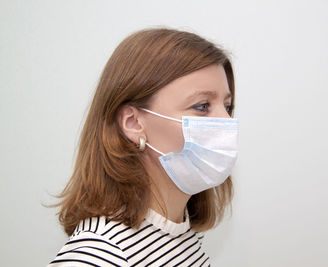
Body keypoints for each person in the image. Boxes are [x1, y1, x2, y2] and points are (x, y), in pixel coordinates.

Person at [48, 27, 239, 267]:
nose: (227, 122)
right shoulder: (97, 256)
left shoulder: (177, 233)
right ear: (133, 123)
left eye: (227, 106)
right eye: (202, 106)